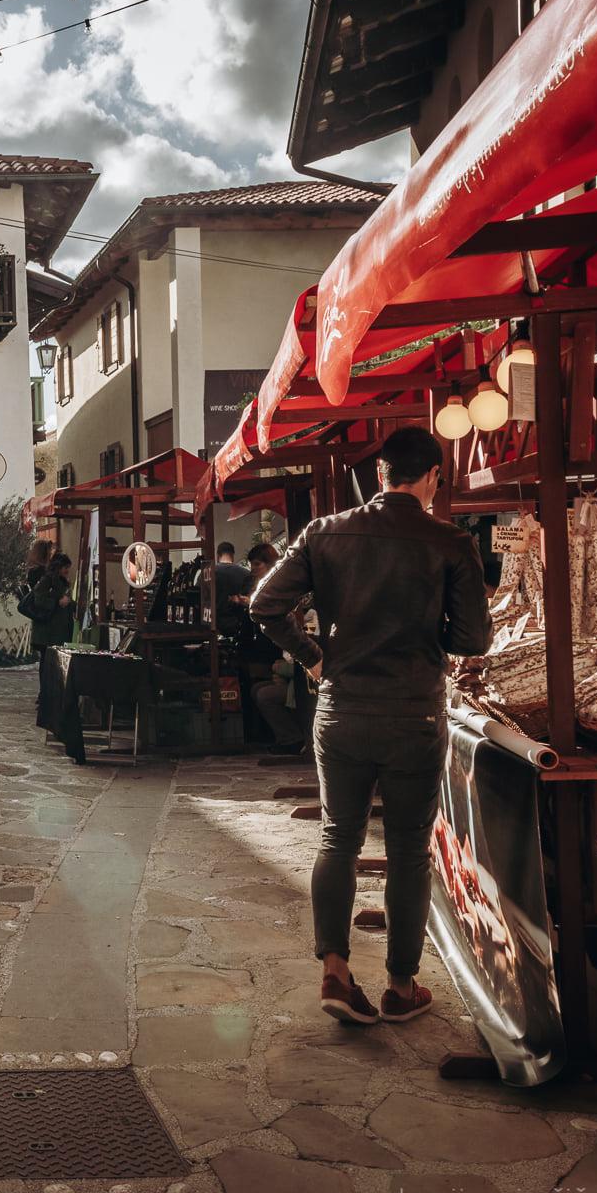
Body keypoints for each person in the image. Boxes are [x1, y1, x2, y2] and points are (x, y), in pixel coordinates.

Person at [251, 425, 490, 1027]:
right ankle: (401, 985)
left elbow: (265, 604)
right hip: (415, 711)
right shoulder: (450, 541)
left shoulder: (325, 533)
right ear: (433, 476)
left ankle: (334, 969)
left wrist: (311, 655)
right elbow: (472, 639)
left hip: (342, 709)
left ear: (380, 474)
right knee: (410, 849)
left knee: (339, 837)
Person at [244, 541, 310, 755]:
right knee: (258, 689)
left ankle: (292, 738)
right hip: (281, 658)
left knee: (265, 693)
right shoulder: (257, 585)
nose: (253, 569)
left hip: (287, 663)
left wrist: (278, 668)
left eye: (257, 564)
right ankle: (286, 736)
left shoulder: (285, 593)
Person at [25, 552, 76, 650]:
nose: (68, 570)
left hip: (57, 632)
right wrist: (58, 602)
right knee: (47, 660)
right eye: (65, 567)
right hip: (48, 633)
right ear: (58, 567)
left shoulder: (63, 582)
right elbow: (39, 600)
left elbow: (66, 601)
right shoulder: (47, 580)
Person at [213, 540, 253, 640]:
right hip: (238, 625)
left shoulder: (208, 573)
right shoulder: (246, 573)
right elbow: (250, 600)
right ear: (233, 554)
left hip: (214, 625)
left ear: (218, 555)